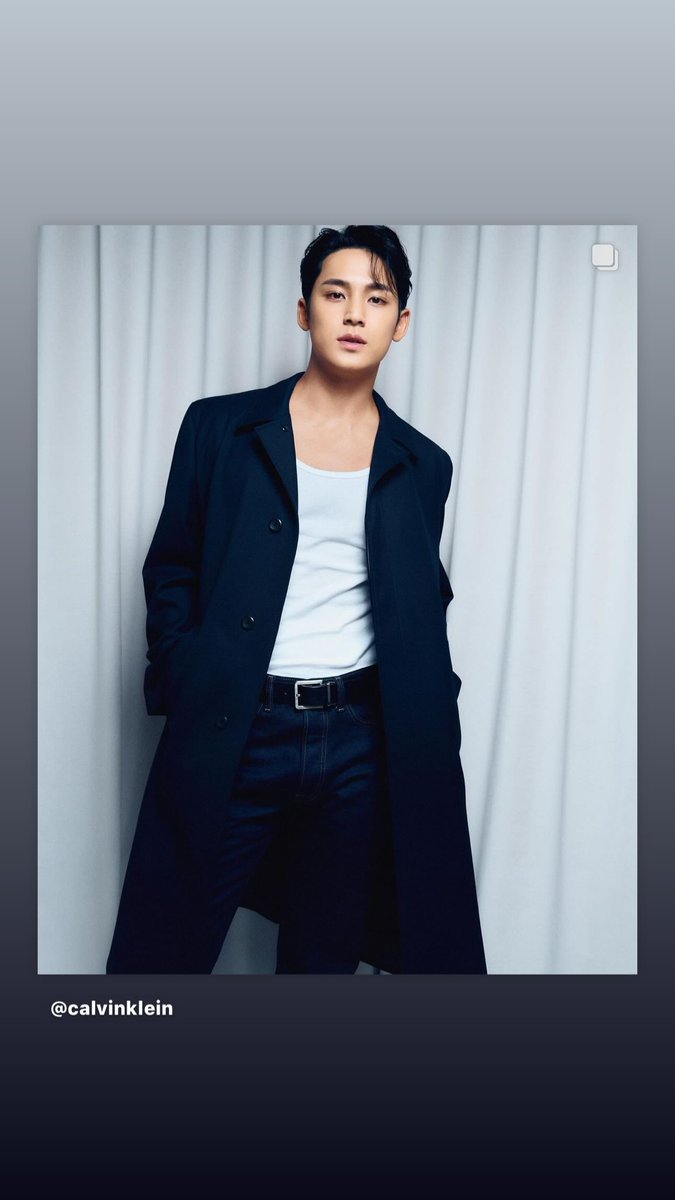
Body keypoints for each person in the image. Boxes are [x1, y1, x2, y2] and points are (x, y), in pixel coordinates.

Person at [106, 224, 487, 975]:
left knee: (323, 961)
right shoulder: (220, 428)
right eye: (335, 293)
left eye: (376, 298)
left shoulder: (423, 464)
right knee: (163, 948)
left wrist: (428, 707)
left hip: (359, 742)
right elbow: (172, 565)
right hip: (238, 723)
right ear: (304, 310)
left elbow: (418, 602)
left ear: (400, 322)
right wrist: (189, 673)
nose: (354, 313)